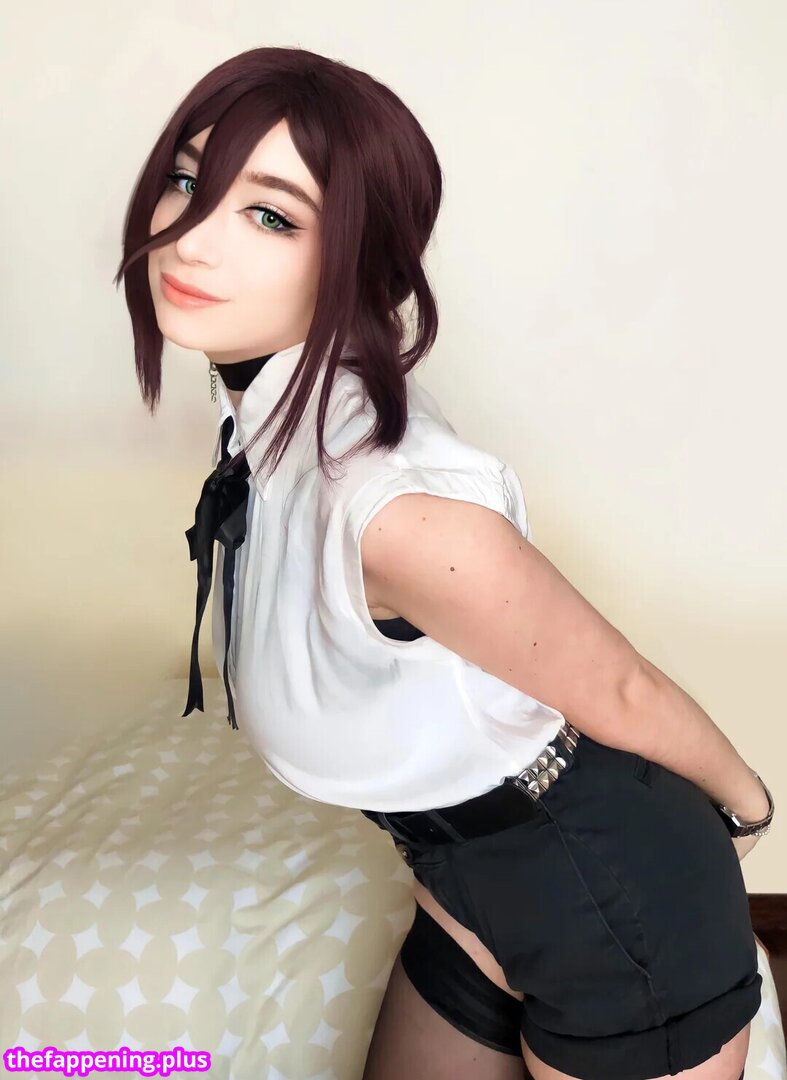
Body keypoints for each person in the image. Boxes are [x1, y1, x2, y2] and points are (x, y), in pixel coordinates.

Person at [113, 45, 774, 1080]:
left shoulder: (395, 511)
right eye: (188, 181)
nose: (191, 237)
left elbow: (618, 688)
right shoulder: (278, 416)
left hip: (617, 902)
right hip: (468, 884)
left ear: (358, 261)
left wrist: (745, 807)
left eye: (271, 216)